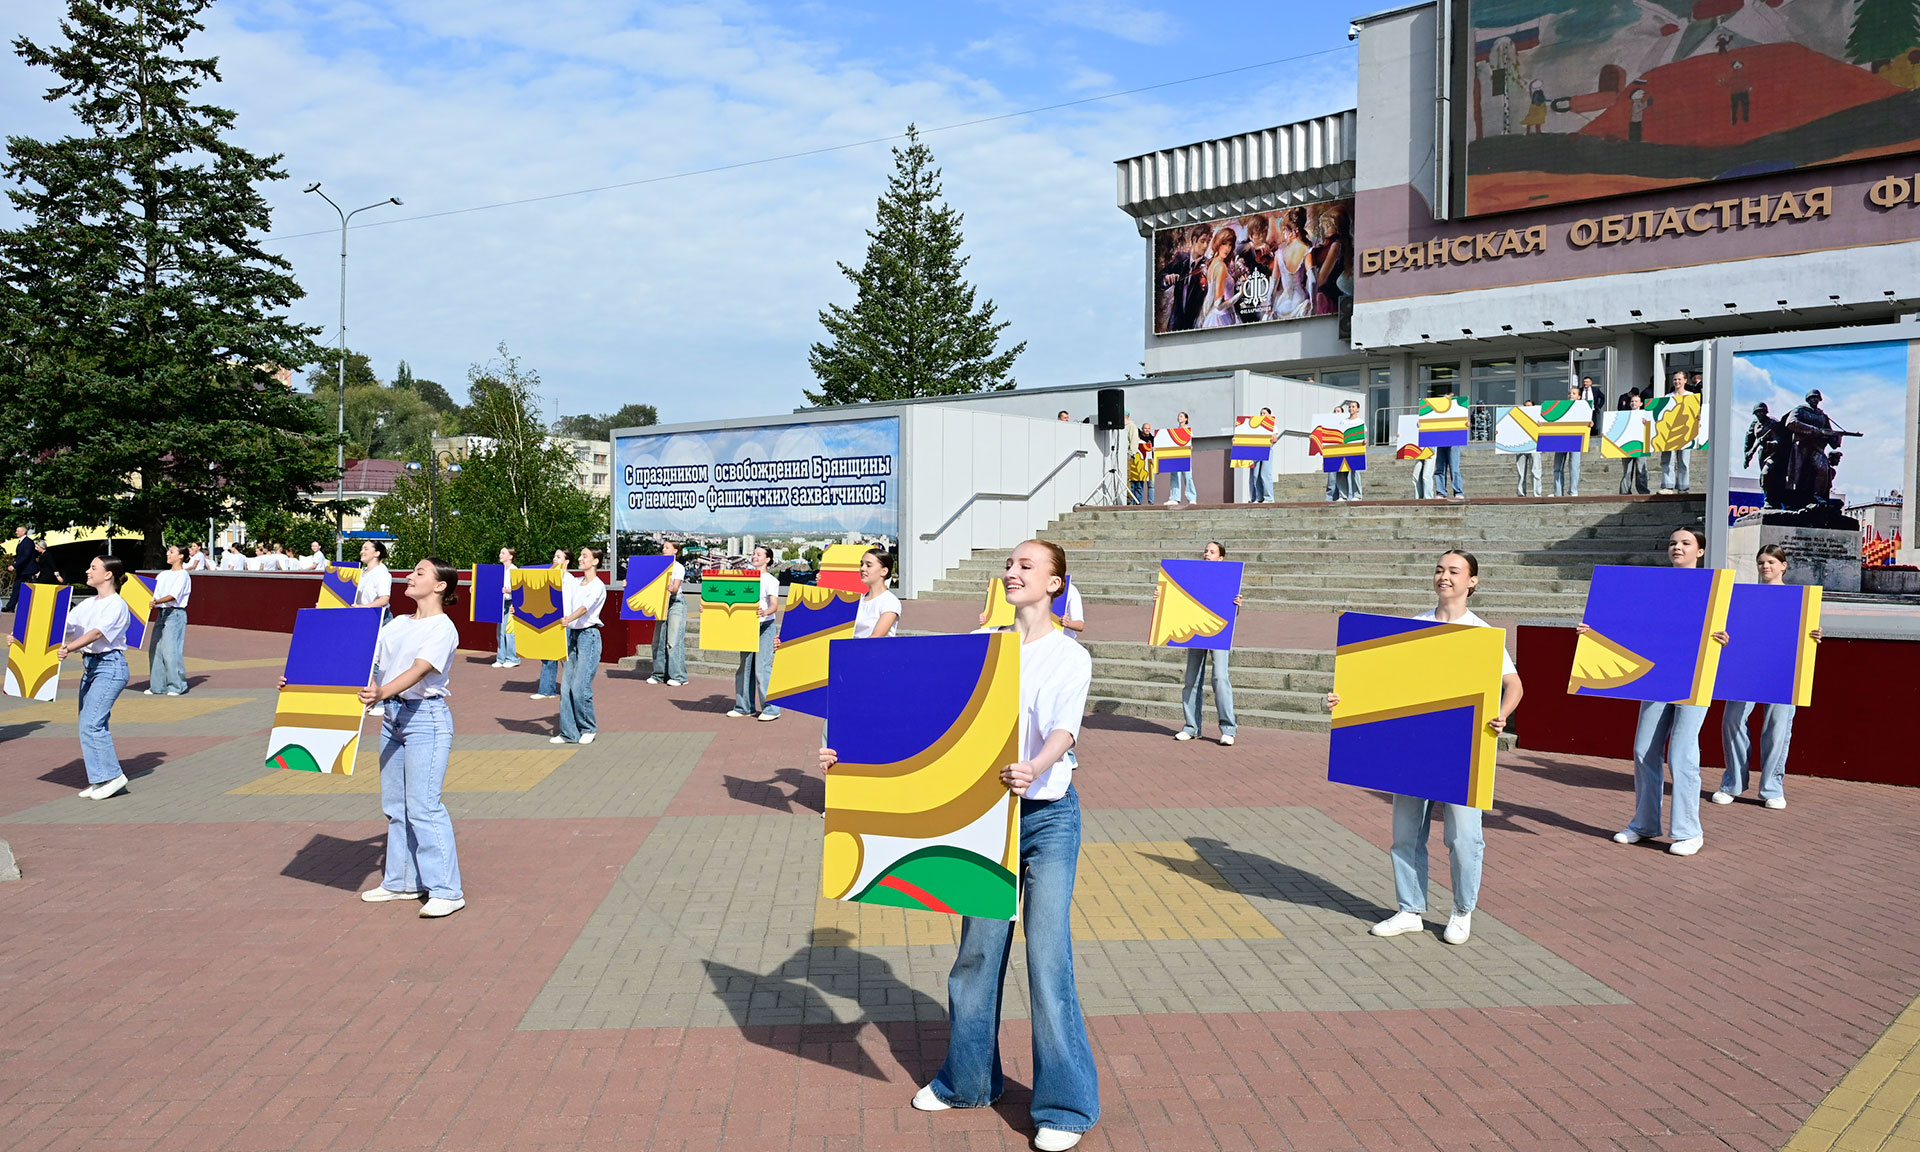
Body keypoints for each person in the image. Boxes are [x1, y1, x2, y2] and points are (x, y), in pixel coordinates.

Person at [822, 539, 1098, 1150]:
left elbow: (1064, 730)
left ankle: (1066, 1106)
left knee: (1048, 958)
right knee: (977, 954)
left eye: (1027, 565)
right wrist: (849, 752)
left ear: (1055, 583)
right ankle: (968, 1082)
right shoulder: (982, 646)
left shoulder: (1069, 656)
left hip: (1047, 819)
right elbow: (914, 708)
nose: (1012, 572)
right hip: (985, 819)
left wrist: (1036, 765)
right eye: (1010, 564)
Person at [1325, 550, 1522, 944]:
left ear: (1472, 582)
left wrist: (1501, 715)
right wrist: (1344, 699)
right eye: (1439, 569)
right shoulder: (1414, 627)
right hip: (1412, 748)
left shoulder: (1481, 634)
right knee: (1406, 833)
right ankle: (1410, 909)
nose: (1444, 576)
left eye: (1454, 571)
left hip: (1463, 750)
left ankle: (1462, 911)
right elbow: (1383, 682)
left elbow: (1514, 685)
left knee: (1463, 838)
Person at [354, 558, 466, 918]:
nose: (409, 576)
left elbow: (419, 670)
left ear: (440, 586)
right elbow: (365, 660)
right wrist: (303, 680)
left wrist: (381, 692)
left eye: (420, 572)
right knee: (396, 807)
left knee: (424, 807)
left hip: (426, 721)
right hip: (392, 719)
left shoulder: (442, 628)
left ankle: (447, 891)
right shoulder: (398, 624)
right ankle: (402, 881)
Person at [1608, 528, 1726, 856]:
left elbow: (1735, 630)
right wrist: (1596, 631)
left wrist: (1725, 637)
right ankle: (1644, 824)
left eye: (1686, 543)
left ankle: (1689, 831)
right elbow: (1632, 624)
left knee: (1682, 754)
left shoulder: (1715, 587)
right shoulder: (1654, 585)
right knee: (1644, 750)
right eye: (1673, 543)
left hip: (1695, 676)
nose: (1678, 547)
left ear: (1700, 552)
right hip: (1658, 676)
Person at [1715, 545, 1820, 810]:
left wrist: (1814, 635)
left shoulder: (1798, 599)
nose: (1765, 566)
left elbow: (1804, 632)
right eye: (1761, 562)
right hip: (1745, 667)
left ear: (1784, 565)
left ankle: (1772, 787)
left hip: (1782, 668)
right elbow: (1734, 629)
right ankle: (1733, 783)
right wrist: (1725, 638)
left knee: (1777, 726)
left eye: (1771, 562)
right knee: (1732, 720)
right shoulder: (1744, 597)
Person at [57, 556, 135, 800]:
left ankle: (113, 776)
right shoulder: (88, 604)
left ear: (108, 574)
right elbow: (63, 626)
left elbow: (96, 633)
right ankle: (100, 778)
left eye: (93, 568)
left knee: (91, 723)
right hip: (91, 667)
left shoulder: (117, 605)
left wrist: (69, 647)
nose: (87, 571)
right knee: (89, 723)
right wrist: (21, 637)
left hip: (110, 667)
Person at [1165, 541, 1242, 746]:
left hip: (1219, 633)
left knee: (1220, 677)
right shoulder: (1194, 576)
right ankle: (1192, 727)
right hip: (1196, 631)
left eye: (1212, 551)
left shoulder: (1228, 578)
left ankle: (1228, 729)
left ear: (1221, 558)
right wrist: (1162, 597)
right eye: (1206, 551)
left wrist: (1236, 605)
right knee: (1191, 679)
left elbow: (1229, 611)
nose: (1207, 554)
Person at [553, 546, 606, 745]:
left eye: (585, 556)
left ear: (595, 561)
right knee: (566, 686)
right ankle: (569, 733)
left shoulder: (598, 586)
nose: (581, 559)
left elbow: (585, 608)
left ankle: (588, 728)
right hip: (571, 636)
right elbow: (554, 591)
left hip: (588, 637)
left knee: (580, 685)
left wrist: (569, 619)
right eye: (581, 556)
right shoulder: (574, 582)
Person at [728, 545, 783, 722]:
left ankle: (772, 709)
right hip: (748, 626)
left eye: (759, 554)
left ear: (767, 559)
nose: (754, 556)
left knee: (762, 668)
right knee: (745, 668)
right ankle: (744, 707)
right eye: (753, 554)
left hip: (765, 626)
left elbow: (774, 604)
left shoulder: (771, 580)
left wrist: (765, 612)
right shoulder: (745, 578)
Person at [144, 544, 192, 697]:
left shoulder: (183, 575)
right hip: (161, 613)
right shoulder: (163, 574)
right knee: (155, 649)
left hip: (175, 614)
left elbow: (173, 596)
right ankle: (157, 686)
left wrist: (156, 602)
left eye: (172, 551)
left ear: (181, 556)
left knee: (171, 650)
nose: (168, 554)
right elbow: (152, 592)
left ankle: (177, 686)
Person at [646, 541, 688, 686]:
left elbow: (676, 587)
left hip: (675, 602)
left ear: (675, 551)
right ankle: (659, 674)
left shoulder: (678, 567)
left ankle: (679, 676)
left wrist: (671, 588)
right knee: (658, 639)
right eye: (663, 547)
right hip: (660, 602)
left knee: (673, 640)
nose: (664, 550)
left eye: (667, 547)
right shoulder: (657, 567)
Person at [531, 547, 570, 700]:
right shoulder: (546, 577)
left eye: (559, 557)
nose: (554, 559)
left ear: (566, 561)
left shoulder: (570, 580)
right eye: (554, 556)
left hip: (564, 622)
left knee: (566, 658)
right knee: (547, 656)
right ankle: (546, 690)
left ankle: (572, 689)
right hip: (549, 621)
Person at [854, 548, 901, 639]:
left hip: (871, 648)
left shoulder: (890, 602)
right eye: (862, 564)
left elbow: (876, 637)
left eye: (868, 565)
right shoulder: (857, 600)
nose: (862, 568)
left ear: (884, 571)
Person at [1553, 382, 1585, 497]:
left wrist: (1590, 423)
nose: (1571, 395)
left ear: (1579, 397)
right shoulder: (1560, 407)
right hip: (1561, 438)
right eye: (1570, 393)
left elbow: (1587, 422)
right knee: (1558, 467)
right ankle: (1558, 492)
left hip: (1576, 439)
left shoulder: (1583, 409)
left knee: (1574, 466)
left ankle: (1573, 491)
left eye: (1574, 393)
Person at [1618, 392, 1652, 495]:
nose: (1634, 403)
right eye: (1632, 401)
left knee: (1641, 469)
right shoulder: (1625, 416)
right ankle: (1625, 492)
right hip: (1627, 445)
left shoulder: (1646, 415)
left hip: (1641, 445)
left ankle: (1643, 491)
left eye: (1636, 401)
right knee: (1627, 470)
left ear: (1641, 404)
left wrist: (1647, 423)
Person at [491, 547, 519, 668]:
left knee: (509, 631)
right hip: (501, 603)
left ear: (510, 556)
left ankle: (513, 658)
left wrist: (509, 591)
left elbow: (520, 589)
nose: (500, 555)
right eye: (500, 552)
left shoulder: (514, 570)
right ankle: (501, 658)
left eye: (503, 553)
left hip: (512, 603)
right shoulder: (499, 571)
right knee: (500, 631)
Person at [1165, 412, 1197, 505]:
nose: (1179, 417)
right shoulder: (1175, 431)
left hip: (1185, 456)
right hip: (1176, 456)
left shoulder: (1188, 430)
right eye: (1178, 416)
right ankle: (1174, 498)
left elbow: (1189, 442)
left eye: (1181, 416)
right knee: (1175, 476)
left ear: (1186, 419)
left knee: (1188, 477)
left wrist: (1190, 446)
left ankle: (1192, 498)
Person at [5, 525, 37, 611]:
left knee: (28, 589)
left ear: (23, 532)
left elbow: (26, 556)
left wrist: (14, 565)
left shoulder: (28, 542)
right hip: (22, 570)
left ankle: (24, 607)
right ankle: (10, 607)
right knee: (17, 587)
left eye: (17, 531)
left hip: (28, 570)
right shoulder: (21, 542)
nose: (16, 532)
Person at [1248, 407, 1276, 503]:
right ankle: (1258, 497)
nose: (1262, 415)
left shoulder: (1272, 425)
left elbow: (1275, 439)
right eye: (1261, 413)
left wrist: (1270, 436)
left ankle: (1269, 498)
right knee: (1255, 475)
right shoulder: (1256, 426)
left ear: (1269, 415)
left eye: (1264, 413)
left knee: (1265, 474)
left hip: (1267, 449)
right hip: (1256, 451)